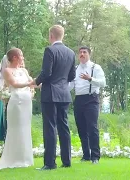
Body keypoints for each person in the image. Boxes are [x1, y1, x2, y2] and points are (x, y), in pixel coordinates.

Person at [33, 25, 76, 170]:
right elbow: (72, 76)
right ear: (62, 35)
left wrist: (35, 82)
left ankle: (50, 163)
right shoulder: (71, 53)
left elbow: (46, 73)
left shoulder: (50, 50)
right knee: (64, 127)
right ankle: (67, 161)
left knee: (50, 128)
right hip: (64, 94)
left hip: (50, 94)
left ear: (51, 35)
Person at [69, 46, 106, 164]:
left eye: (84, 52)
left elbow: (103, 83)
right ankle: (86, 155)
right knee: (81, 128)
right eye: (80, 52)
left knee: (92, 127)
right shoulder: (75, 69)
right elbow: (70, 85)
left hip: (91, 99)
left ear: (89, 54)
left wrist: (90, 79)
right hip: (79, 99)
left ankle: (95, 157)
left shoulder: (96, 67)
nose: (82, 54)